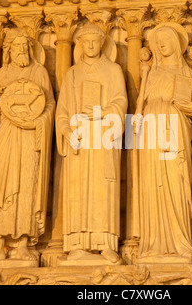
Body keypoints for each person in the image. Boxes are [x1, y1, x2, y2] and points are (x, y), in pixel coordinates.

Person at [56, 24, 127, 263]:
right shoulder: (72, 74)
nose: (91, 46)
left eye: (95, 41)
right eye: (86, 42)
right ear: (80, 45)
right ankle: (77, 244)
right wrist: (66, 130)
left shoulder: (113, 70)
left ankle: (105, 243)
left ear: (103, 43)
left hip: (104, 137)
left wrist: (99, 113)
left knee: (103, 188)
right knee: (78, 188)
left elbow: (120, 102)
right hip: (80, 140)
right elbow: (62, 110)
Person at [0, 27, 55, 262]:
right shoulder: (3, 73)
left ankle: (24, 243)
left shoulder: (40, 72)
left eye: (25, 46)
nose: (21, 50)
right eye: (16, 46)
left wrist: (38, 120)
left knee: (27, 184)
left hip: (30, 135)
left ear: (31, 50)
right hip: (7, 132)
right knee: (2, 183)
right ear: (9, 51)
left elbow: (50, 104)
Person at [134, 23, 192, 263]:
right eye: (157, 41)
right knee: (152, 186)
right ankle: (152, 245)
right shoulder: (151, 73)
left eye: (165, 40)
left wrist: (184, 106)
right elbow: (140, 105)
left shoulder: (184, 72)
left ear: (175, 44)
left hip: (175, 126)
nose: (161, 44)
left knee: (176, 182)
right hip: (151, 129)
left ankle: (179, 242)